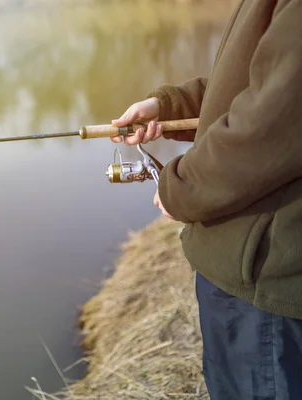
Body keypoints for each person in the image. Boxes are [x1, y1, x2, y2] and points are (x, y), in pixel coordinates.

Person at [110, 0, 302, 399]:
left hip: (265, 287)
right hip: (256, 275)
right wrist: (169, 106)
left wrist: (178, 188)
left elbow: (267, 125)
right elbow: (257, 83)